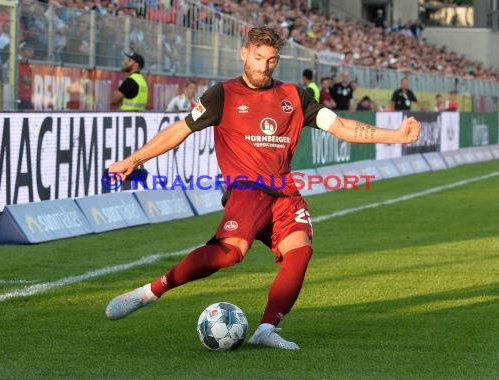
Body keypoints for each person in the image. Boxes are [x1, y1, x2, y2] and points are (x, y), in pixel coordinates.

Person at [104, 26, 421, 350]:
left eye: (271, 60)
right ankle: (151, 291)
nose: (263, 66)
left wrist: (396, 136)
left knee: (300, 251)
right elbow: (179, 131)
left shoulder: (295, 97)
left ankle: (267, 328)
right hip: (247, 190)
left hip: (283, 193)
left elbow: (341, 127)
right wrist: (135, 159)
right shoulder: (222, 94)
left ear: (277, 60)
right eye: (257, 57)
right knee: (230, 254)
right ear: (244, 54)